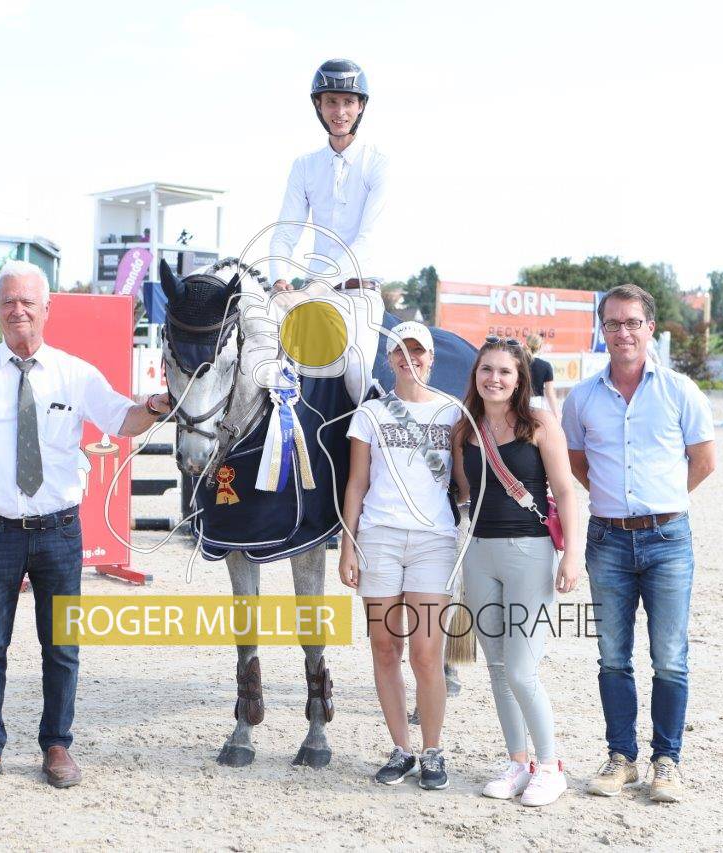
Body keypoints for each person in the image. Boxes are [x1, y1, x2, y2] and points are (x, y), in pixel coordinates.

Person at [0, 259, 170, 791]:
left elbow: (123, 418)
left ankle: (57, 744)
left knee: (62, 645)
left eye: (27, 301)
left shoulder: (75, 373)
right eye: (7, 302)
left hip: (59, 532)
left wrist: (156, 406)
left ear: (47, 308)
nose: (17, 310)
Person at [560, 284, 716, 803]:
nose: (622, 332)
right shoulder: (582, 398)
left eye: (632, 322)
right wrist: (616, 503)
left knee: (670, 656)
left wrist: (662, 502)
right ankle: (621, 758)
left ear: (650, 327)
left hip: (668, 539)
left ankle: (666, 761)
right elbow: (577, 464)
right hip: (607, 540)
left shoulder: (680, 391)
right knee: (612, 656)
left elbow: (704, 460)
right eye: (612, 323)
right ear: (602, 330)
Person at [450, 336, 581, 807]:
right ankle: (518, 762)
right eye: (486, 369)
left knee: (523, 670)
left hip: (530, 553)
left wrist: (572, 555)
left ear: (520, 377)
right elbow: (464, 493)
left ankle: (550, 765)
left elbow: (565, 491)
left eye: (505, 371)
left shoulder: (540, 424)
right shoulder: (464, 429)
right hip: (479, 554)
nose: (495, 378)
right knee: (498, 668)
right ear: (476, 374)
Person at [338, 321, 460, 791]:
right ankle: (401, 749)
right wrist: (348, 545)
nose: (410, 359)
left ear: (431, 357)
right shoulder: (370, 414)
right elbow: (357, 483)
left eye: (418, 351)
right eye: (401, 351)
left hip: (434, 541)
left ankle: (433, 750)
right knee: (385, 647)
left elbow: (463, 482)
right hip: (379, 539)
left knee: (427, 654)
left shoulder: (452, 413)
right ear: (389, 359)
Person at [267, 58, 388, 404]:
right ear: (319, 106)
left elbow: (367, 241)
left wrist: (316, 287)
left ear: (360, 106)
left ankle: (375, 428)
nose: (340, 111)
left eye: (348, 102)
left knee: (357, 372)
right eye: (331, 101)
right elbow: (285, 232)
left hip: (358, 295)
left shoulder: (378, 163)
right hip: (310, 295)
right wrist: (279, 280)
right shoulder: (304, 166)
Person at [525, 335, 559, 414]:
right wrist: (556, 413)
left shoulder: (518, 363)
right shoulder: (545, 365)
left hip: (518, 403)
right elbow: (549, 393)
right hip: (536, 404)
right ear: (540, 347)